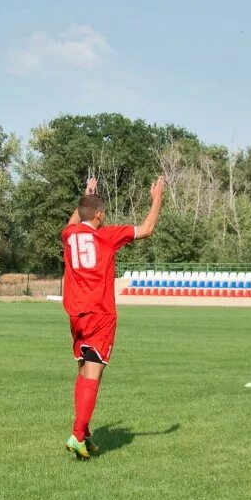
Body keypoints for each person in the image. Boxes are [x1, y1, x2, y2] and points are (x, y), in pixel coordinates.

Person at [60, 175, 165, 460]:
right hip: (100, 313)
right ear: (101, 215)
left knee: (84, 370)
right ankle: (77, 435)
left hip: (76, 315)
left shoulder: (69, 236)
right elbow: (147, 229)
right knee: (94, 374)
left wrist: (85, 195)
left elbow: (74, 222)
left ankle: (84, 431)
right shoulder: (105, 236)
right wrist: (157, 199)